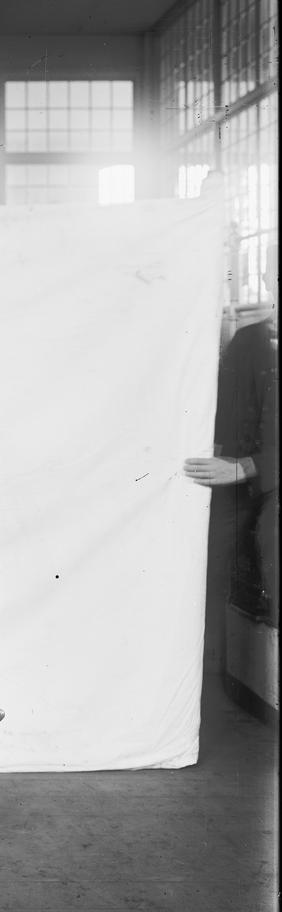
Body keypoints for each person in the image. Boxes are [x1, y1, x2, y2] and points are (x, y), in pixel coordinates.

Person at [184, 249, 278, 646]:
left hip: (270, 478)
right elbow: (220, 417)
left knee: (273, 532)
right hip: (237, 476)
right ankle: (205, 667)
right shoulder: (246, 340)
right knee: (197, 544)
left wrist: (246, 468)